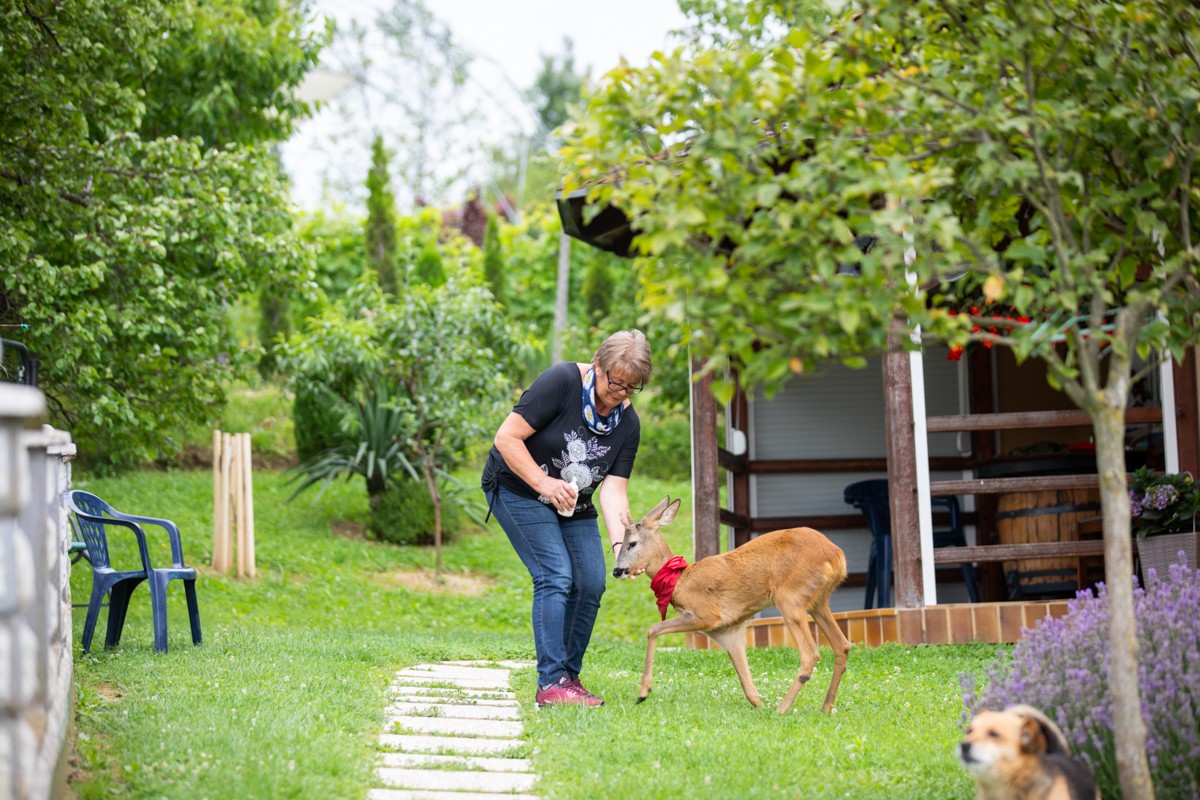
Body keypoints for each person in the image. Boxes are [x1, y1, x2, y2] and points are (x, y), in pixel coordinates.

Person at [482, 330, 652, 707]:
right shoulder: (561, 382)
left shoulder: (628, 424)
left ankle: (568, 679)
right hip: (517, 488)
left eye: (631, 387)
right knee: (555, 574)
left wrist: (622, 547)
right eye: (616, 382)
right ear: (598, 364)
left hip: (574, 503)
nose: (620, 393)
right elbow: (506, 438)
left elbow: (613, 491)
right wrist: (543, 482)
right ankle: (551, 682)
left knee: (590, 583)